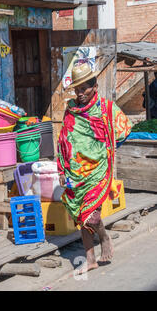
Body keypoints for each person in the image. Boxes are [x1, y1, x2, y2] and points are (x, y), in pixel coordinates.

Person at [57, 62, 132, 274]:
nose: (80, 94)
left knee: (93, 217)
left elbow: (124, 130)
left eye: (84, 89)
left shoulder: (107, 108)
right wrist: (62, 169)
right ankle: (90, 259)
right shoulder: (71, 110)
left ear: (95, 86)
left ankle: (104, 236)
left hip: (98, 170)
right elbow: (63, 139)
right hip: (74, 173)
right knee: (82, 215)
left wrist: (104, 148)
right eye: (77, 90)